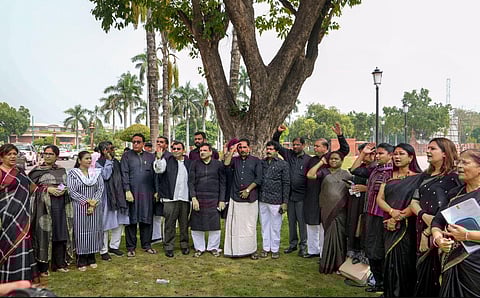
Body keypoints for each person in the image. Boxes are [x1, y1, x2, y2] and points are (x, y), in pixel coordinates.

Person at [409, 138, 460, 297]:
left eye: (432, 149)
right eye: (428, 148)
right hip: (421, 226)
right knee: (423, 275)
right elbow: (413, 202)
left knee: (438, 275)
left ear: (445, 153)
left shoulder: (454, 178)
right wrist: (424, 217)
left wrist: (429, 231)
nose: (427, 151)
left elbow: (452, 209)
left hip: (442, 233)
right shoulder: (426, 175)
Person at [431, 149, 480, 297]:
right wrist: (439, 239)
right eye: (458, 161)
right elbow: (437, 221)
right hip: (453, 259)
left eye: (465, 162)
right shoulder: (454, 193)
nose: (459, 166)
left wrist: (466, 235)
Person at [376, 143, 422, 297]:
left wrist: (399, 217)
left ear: (410, 157)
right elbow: (380, 199)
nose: (396, 157)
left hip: (407, 227)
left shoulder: (418, 178)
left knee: (404, 261)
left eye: (401, 154)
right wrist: (391, 212)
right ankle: (390, 292)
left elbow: (417, 202)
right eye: (395, 154)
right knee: (389, 259)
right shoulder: (388, 177)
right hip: (388, 224)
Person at [350, 142, 394, 294]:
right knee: (371, 248)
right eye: (377, 153)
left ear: (391, 155)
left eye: (381, 153)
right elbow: (354, 170)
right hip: (370, 213)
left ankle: (385, 282)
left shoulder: (394, 172)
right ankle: (378, 282)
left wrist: (366, 188)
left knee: (380, 250)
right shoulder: (375, 169)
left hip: (384, 216)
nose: (377, 156)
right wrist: (363, 153)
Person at [303, 122, 350, 259]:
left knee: (325, 223)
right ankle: (312, 250)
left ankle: (325, 252)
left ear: (325, 148)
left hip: (329, 195)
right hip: (312, 194)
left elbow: (345, 149)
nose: (315, 148)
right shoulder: (312, 160)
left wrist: (340, 135)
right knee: (312, 222)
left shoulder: (332, 157)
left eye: (317, 146)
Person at [29, 145, 73, 276]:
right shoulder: (36, 171)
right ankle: (42, 266)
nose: (47, 156)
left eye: (51, 154)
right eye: (45, 153)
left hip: (60, 206)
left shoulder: (61, 170)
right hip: (43, 208)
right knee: (44, 234)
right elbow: (29, 188)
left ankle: (59, 263)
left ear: (56, 156)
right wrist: (46, 190)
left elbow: (65, 184)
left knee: (60, 233)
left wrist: (63, 189)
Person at [307, 151, 352, 273]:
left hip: (341, 211)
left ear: (342, 161)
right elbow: (310, 175)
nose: (333, 161)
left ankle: (339, 264)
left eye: (336, 159)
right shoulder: (324, 172)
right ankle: (327, 263)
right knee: (327, 236)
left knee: (339, 238)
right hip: (326, 210)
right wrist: (321, 162)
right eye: (331, 159)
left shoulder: (346, 174)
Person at [0, 144, 39, 282]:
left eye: (14, 154)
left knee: (21, 243)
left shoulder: (20, 171)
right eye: (8, 154)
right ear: (2, 156)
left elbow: (32, 188)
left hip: (22, 216)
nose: (12, 156)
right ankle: (6, 278)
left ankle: (22, 276)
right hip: (5, 216)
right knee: (6, 244)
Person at [273, 124, 309, 257]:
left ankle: (303, 246)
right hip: (289, 195)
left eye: (298, 145)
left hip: (302, 196)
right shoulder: (288, 154)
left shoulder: (308, 160)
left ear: (303, 145)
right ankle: (293, 244)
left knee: (301, 222)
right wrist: (278, 133)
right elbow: (276, 144)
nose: (295, 147)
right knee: (291, 221)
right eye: (294, 144)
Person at [223, 138, 262, 259]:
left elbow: (259, 178)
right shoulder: (235, 160)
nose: (242, 150)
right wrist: (232, 150)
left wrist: (248, 190)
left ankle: (251, 250)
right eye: (240, 148)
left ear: (249, 148)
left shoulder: (256, 161)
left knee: (249, 227)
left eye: (244, 147)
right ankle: (235, 251)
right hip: (235, 197)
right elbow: (225, 164)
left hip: (251, 198)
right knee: (235, 226)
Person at [67, 151, 104, 271]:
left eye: (90, 158)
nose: (89, 160)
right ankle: (81, 258)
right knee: (81, 231)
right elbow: (72, 191)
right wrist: (87, 201)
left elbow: (100, 188)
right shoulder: (73, 174)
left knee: (94, 230)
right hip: (80, 207)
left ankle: (91, 257)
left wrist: (93, 202)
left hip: (95, 206)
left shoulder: (96, 173)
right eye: (86, 158)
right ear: (79, 160)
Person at [153, 141, 192, 257]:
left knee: (184, 224)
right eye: (174, 148)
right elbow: (158, 170)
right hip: (170, 198)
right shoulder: (166, 160)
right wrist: (159, 159)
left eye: (178, 149)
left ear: (183, 150)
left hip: (184, 198)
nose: (175, 150)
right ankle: (169, 246)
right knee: (169, 224)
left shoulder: (189, 163)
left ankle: (184, 245)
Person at [121, 133, 156, 257]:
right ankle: (131, 247)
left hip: (147, 192)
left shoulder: (150, 157)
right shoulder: (126, 156)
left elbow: (155, 174)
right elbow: (124, 173)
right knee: (131, 220)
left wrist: (156, 191)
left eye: (138, 142)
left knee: (146, 219)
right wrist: (126, 190)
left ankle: (147, 245)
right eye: (134, 142)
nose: (135, 144)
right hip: (132, 192)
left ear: (143, 143)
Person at [188, 143, 226, 257]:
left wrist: (222, 200)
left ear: (210, 152)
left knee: (214, 224)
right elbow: (190, 182)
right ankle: (199, 248)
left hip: (214, 198)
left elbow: (223, 183)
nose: (202, 152)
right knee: (196, 225)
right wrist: (193, 198)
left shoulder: (218, 165)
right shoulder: (194, 164)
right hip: (198, 198)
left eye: (204, 150)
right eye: (200, 151)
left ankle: (213, 247)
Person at [96, 141, 129, 260]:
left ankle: (114, 246)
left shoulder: (116, 162)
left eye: (113, 148)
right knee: (105, 224)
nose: (113, 150)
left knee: (119, 222)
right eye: (110, 148)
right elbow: (105, 176)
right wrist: (108, 161)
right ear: (104, 150)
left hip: (118, 195)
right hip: (106, 197)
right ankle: (103, 250)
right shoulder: (98, 163)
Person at [259, 141, 290, 259]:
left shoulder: (283, 164)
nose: (268, 151)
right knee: (264, 225)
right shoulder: (261, 163)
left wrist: (285, 202)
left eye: (271, 149)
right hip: (263, 198)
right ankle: (266, 248)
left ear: (276, 151)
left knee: (276, 226)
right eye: (267, 149)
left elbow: (286, 183)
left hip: (276, 200)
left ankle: (275, 249)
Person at [346, 143, 374, 265]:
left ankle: (365, 255)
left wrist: (366, 189)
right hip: (357, 202)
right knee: (354, 225)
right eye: (364, 153)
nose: (367, 156)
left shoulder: (377, 168)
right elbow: (353, 171)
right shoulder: (362, 167)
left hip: (370, 204)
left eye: (370, 153)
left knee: (366, 228)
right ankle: (354, 252)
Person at [151, 136, 170, 245]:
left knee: (166, 215)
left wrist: (159, 190)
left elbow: (162, 173)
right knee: (155, 214)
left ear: (166, 145)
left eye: (161, 142)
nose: (159, 144)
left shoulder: (169, 157)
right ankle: (156, 236)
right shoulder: (151, 156)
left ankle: (165, 237)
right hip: (152, 189)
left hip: (165, 190)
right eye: (157, 141)